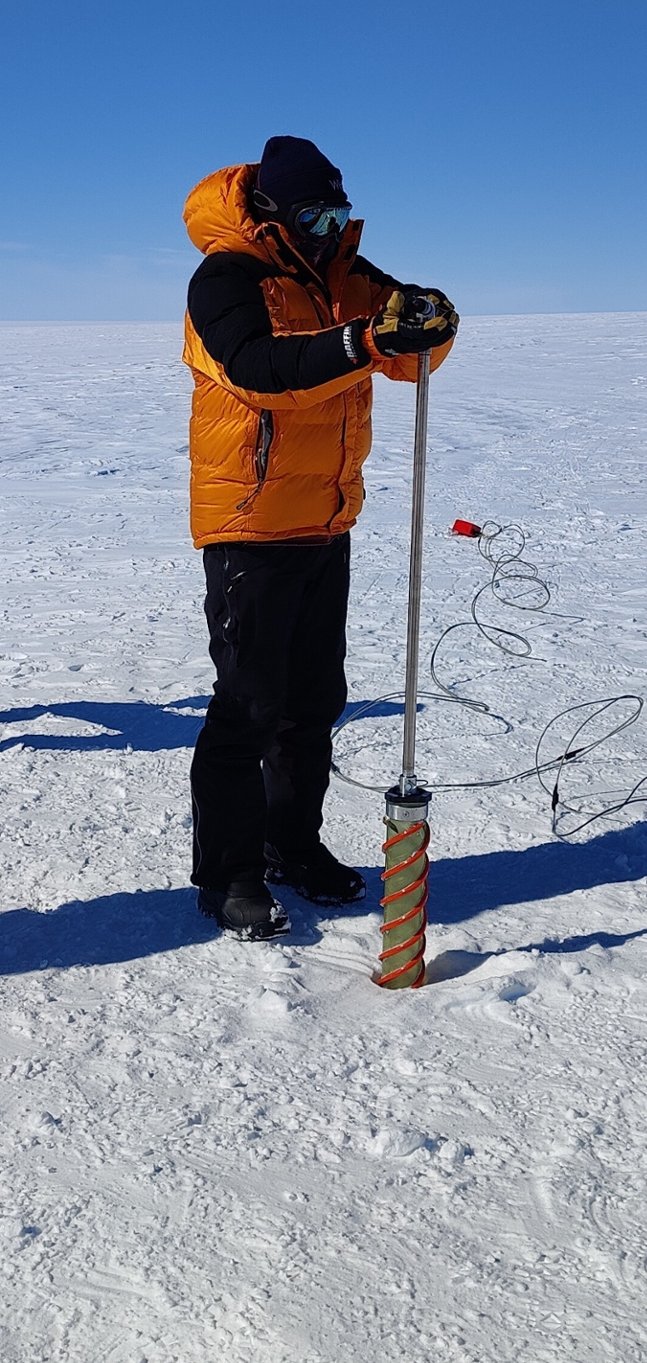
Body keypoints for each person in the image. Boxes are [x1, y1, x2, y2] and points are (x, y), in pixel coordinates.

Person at [181, 135, 457, 939]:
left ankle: (291, 842)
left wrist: (430, 325)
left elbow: (411, 350)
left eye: (339, 210)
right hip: (251, 524)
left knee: (312, 705)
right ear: (270, 209)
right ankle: (229, 873)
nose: (333, 227)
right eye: (315, 213)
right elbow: (261, 369)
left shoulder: (347, 274)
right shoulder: (226, 278)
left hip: (326, 521)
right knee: (249, 706)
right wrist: (367, 342)